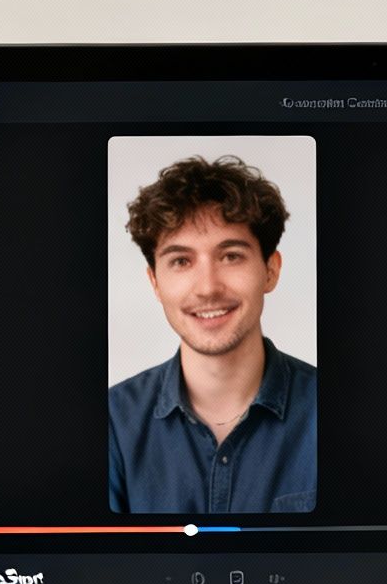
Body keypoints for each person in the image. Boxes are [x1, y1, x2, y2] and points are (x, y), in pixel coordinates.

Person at [108, 154, 317, 513]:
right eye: (181, 261)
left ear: (270, 270)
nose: (207, 288)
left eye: (231, 256)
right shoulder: (112, 423)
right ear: (155, 282)